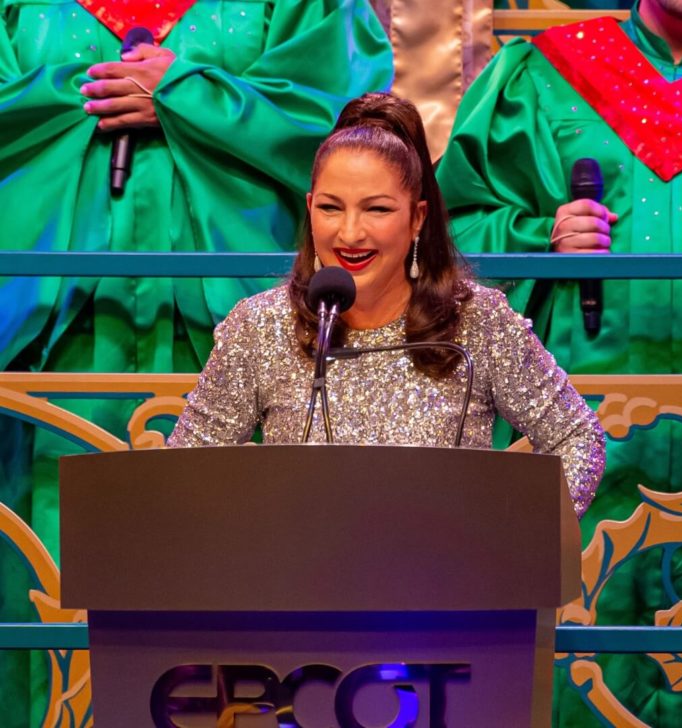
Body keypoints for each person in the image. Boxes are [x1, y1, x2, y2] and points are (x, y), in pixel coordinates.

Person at [0, 2, 392, 725]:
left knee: (232, 574)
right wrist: (92, 87)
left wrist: (189, 94)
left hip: (228, 339)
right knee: (45, 581)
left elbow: (346, 129)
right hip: (52, 345)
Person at [435, 1, 682, 725]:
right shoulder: (542, 73)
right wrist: (535, 235)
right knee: (574, 655)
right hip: (584, 421)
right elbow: (446, 231)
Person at [168, 92, 606, 521]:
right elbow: (185, 471)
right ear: (309, 208)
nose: (350, 233)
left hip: (445, 585)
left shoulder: (478, 320)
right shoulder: (260, 326)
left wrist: (509, 543)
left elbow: (578, 437)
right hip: (298, 585)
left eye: (376, 209)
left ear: (417, 218)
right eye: (330, 208)